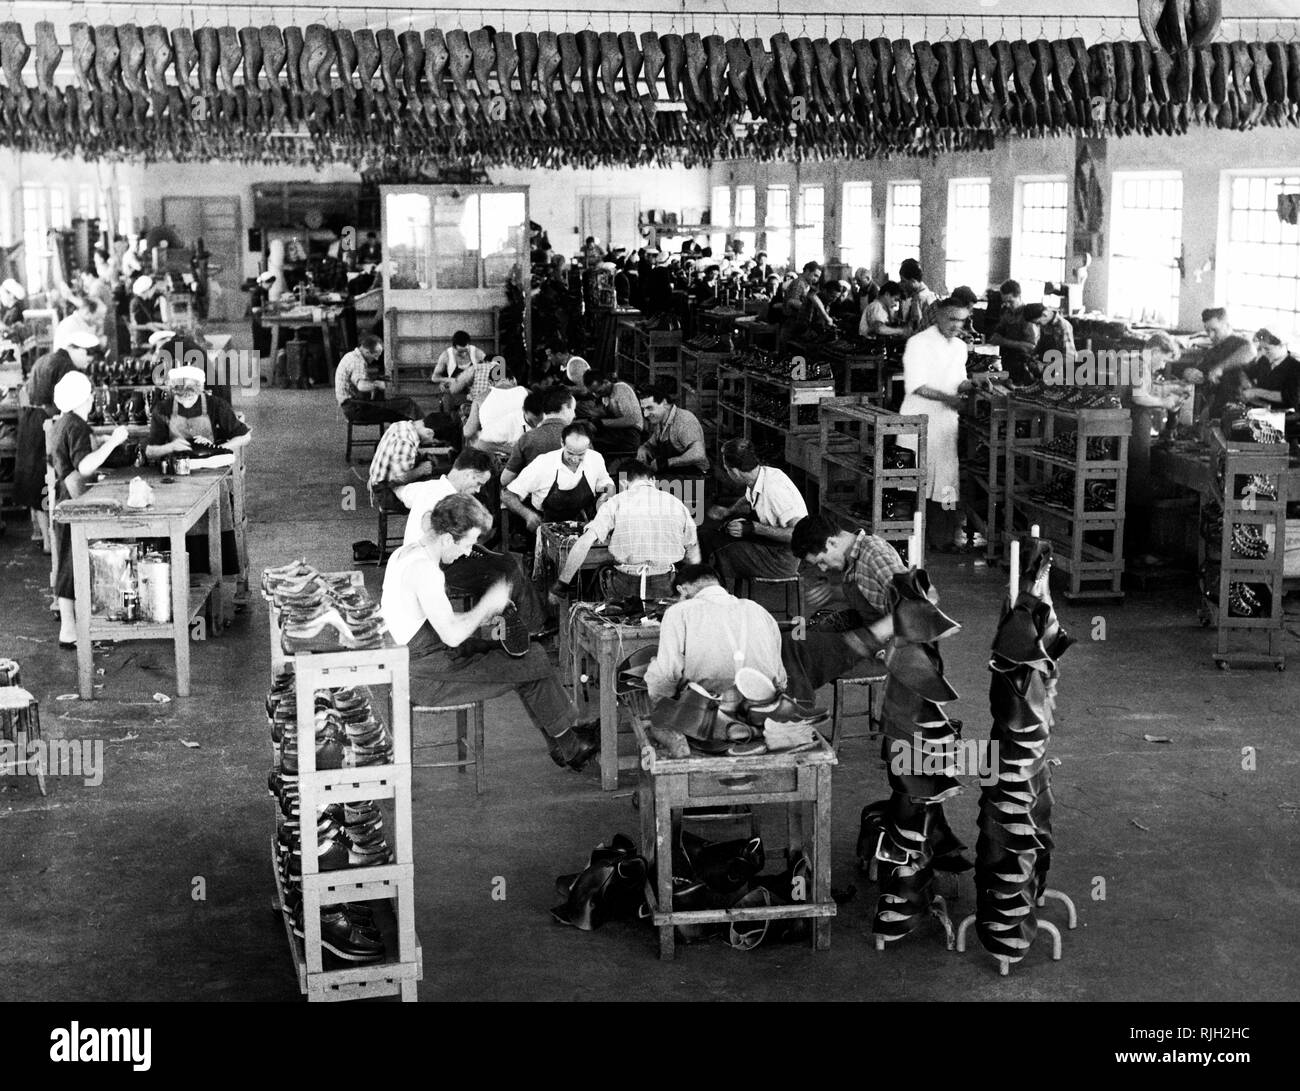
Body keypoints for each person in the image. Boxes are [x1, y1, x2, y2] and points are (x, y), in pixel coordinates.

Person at [381, 494, 599, 770]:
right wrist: (485, 607)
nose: (467, 552)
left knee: (520, 656)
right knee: (531, 660)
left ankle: (566, 743)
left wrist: (483, 623)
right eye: (469, 543)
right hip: (426, 676)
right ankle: (568, 744)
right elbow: (451, 635)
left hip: (415, 657)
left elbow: (433, 619)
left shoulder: (406, 553)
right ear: (448, 539)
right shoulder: (425, 571)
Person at [781, 515, 909, 702]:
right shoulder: (854, 555)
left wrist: (870, 637)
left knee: (797, 650)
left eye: (822, 561)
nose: (823, 569)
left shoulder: (875, 554)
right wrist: (835, 593)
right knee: (795, 636)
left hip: (892, 651)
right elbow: (871, 591)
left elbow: (917, 606)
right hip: (869, 634)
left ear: (832, 542)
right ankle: (790, 708)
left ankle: (795, 719)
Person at [899, 297, 991, 553]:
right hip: (919, 422)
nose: (956, 325)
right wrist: (948, 398)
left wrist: (973, 384)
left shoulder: (960, 347)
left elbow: (957, 380)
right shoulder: (918, 344)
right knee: (917, 484)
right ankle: (914, 540)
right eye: (951, 318)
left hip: (946, 424)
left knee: (948, 485)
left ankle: (946, 537)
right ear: (938, 315)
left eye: (961, 320)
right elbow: (917, 385)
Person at [48, 371, 133, 647]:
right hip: (74, 501)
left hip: (63, 497)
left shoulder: (64, 422)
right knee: (77, 561)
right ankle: (72, 628)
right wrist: (114, 441)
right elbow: (84, 466)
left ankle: (73, 625)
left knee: (68, 561)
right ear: (86, 398)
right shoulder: (77, 427)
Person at [549, 460, 701, 604]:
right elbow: (692, 549)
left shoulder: (615, 502)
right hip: (665, 581)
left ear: (623, 482)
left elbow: (584, 543)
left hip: (626, 581)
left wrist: (562, 584)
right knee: (660, 627)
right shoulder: (676, 503)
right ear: (653, 480)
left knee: (615, 621)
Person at [643, 564, 787, 706]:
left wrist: (661, 702)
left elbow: (667, 673)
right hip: (766, 703)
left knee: (653, 673)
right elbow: (780, 675)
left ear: (682, 590)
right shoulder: (758, 610)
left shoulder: (679, 611)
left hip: (709, 706)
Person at [13, 330, 99, 543]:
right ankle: (52, 539)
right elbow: (67, 407)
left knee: (35, 480)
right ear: (74, 349)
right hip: (46, 423)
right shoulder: (66, 366)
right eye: (85, 353)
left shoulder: (46, 358)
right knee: (48, 479)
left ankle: (44, 537)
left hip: (30, 419)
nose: (86, 359)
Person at [701, 438, 808, 586]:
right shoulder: (760, 475)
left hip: (782, 560)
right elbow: (747, 499)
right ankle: (715, 591)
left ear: (735, 472)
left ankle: (716, 596)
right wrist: (728, 511)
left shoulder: (774, 489)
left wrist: (754, 528)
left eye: (727, 470)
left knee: (715, 548)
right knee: (709, 535)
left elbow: (799, 534)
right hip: (771, 546)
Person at [503, 422, 615, 530]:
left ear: (589, 446)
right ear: (562, 443)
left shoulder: (595, 458)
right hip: (545, 524)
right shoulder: (543, 463)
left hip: (582, 523)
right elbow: (507, 495)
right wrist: (528, 515)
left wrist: (607, 494)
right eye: (570, 453)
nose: (575, 459)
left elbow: (605, 482)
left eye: (581, 454)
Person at [144, 364, 252, 460]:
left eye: (190, 396)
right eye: (180, 396)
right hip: (179, 464)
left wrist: (217, 449)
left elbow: (245, 436)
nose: (186, 401)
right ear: (173, 390)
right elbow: (149, 452)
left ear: (200, 389)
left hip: (211, 461)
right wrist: (170, 447)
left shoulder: (215, 404)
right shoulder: (162, 409)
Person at [335, 335, 423, 424]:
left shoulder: (351, 356)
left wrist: (374, 380)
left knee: (400, 410)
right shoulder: (357, 362)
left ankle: (416, 431)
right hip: (355, 408)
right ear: (366, 351)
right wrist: (377, 384)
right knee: (406, 403)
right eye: (375, 355)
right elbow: (361, 386)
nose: (376, 359)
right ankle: (428, 428)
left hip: (351, 406)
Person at [501, 386, 576, 486]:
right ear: (565, 407)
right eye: (573, 409)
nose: (574, 415)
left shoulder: (527, 438)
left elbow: (505, 479)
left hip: (532, 498)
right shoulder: (580, 437)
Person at [637, 385, 708, 477]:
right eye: (643, 409)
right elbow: (651, 443)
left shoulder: (684, 420)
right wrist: (644, 448)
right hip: (675, 475)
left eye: (650, 408)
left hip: (694, 478)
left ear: (664, 403)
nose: (645, 414)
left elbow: (699, 454)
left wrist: (667, 463)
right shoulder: (661, 421)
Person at [464, 363, 527, 457]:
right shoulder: (527, 393)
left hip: (491, 451)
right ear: (513, 379)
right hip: (521, 450)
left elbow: (468, 432)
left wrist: (464, 421)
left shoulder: (480, 398)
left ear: (490, 383)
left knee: (473, 438)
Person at [987, 279, 1040, 384]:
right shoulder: (1007, 313)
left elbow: (1031, 347)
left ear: (1019, 296)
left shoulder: (1028, 316)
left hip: (1024, 366)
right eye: (1005, 302)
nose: (1007, 305)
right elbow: (997, 333)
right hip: (1007, 362)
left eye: (1010, 301)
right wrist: (997, 336)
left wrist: (1004, 341)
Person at [581, 370, 643, 456]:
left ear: (606, 382)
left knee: (592, 446)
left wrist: (602, 423)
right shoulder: (605, 398)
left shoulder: (621, 389)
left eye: (599, 391)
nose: (597, 395)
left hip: (630, 435)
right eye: (594, 393)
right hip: (617, 433)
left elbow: (632, 419)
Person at [1242, 328, 1300, 412]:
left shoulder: (1295, 367)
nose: (1263, 353)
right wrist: (1247, 385)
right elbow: (1246, 373)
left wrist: (1256, 392)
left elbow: (1290, 397)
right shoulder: (1264, 361)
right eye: (1261, 348)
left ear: (1282, 345)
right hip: (1259, 410)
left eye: (1267, 349)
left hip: (1283, 417)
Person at [1026, 297, 1077, 374]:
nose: (1037, 326)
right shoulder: (1045, 323)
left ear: (1044, 314)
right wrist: (1032, 357)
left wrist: (1046, 366)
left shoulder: (1063, 326)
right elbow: (1041, 345)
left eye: (1038, 323)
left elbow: (1070, 356)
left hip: (1062, 370)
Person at [430, 330, 486, 394]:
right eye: (460, 352)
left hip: (473, 391)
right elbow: (434, 378)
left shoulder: (476, 352)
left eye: (466, 351)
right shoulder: (446, 356)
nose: (464, 355)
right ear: (454, 347)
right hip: (454, 392)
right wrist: (449, 380)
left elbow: (490, 366)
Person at [897, 259, 940, 332]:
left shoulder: (918, 299)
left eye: (903, 281)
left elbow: (916, 327)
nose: (901, 284)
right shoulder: (928, 294)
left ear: (913, 281)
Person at [781, 261, 823, 326]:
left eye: (818, 277)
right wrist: (811, 308)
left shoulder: (805, 284)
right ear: (807, 271)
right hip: (792, 322)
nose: (816, 279)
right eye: (815, 275)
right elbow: (793, 301)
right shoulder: (799, 283)